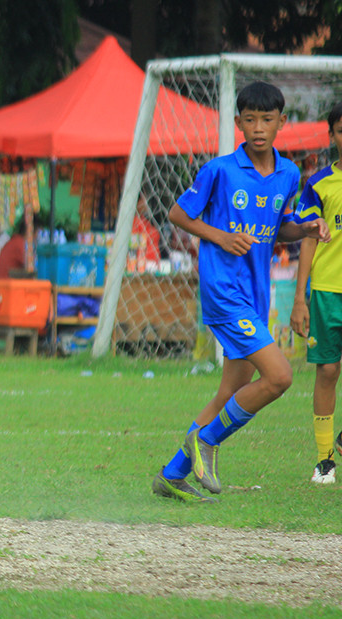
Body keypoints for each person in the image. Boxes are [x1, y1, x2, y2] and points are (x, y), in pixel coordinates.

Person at [151, 81, 330, 503]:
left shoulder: (287, 173)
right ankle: (207, 442)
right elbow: (178, 213)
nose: (258, 127)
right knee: (281, 376)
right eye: (249, 119)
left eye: (266, 119)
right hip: (223, 291)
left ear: (281, 122)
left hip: (255, 293)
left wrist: (304, 228)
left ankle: (172, 475)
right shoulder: (219, 170)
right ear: (238, 123)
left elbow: (279, 227)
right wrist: (220, 237)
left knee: (230, 392)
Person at [290, 101, 342, 484]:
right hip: (326, 290)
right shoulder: (319, 183)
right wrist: (299, 298)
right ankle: (325, 459)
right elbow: (307, 241)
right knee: (328, 369)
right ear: (332, 136)